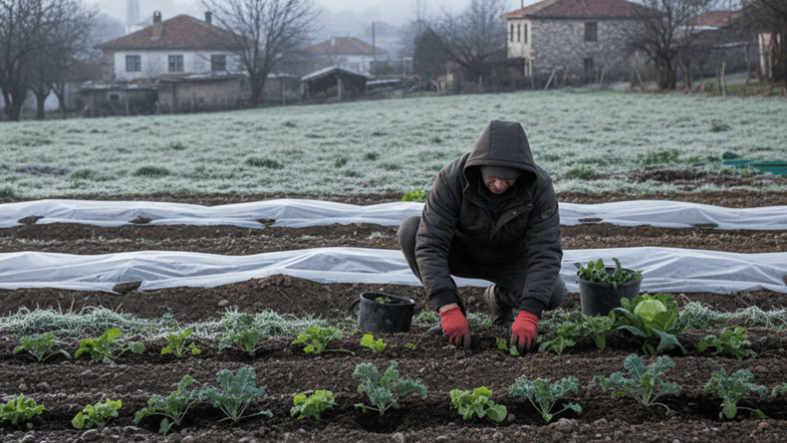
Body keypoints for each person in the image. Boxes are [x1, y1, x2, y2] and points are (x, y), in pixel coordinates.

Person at [397, 120, 566, 353]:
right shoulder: (451, 179)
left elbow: (546, 250)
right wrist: (447, 306)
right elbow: (431, 244)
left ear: (522, 171)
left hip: (510, 260)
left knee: (553, 294)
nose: (498, 184)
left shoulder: (539, 187)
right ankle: (457, 314)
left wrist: (530, 312)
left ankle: (499, 299)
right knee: (411, 231)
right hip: (462, 253)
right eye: (492, 176)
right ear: (479, 166)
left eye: (508, 178)